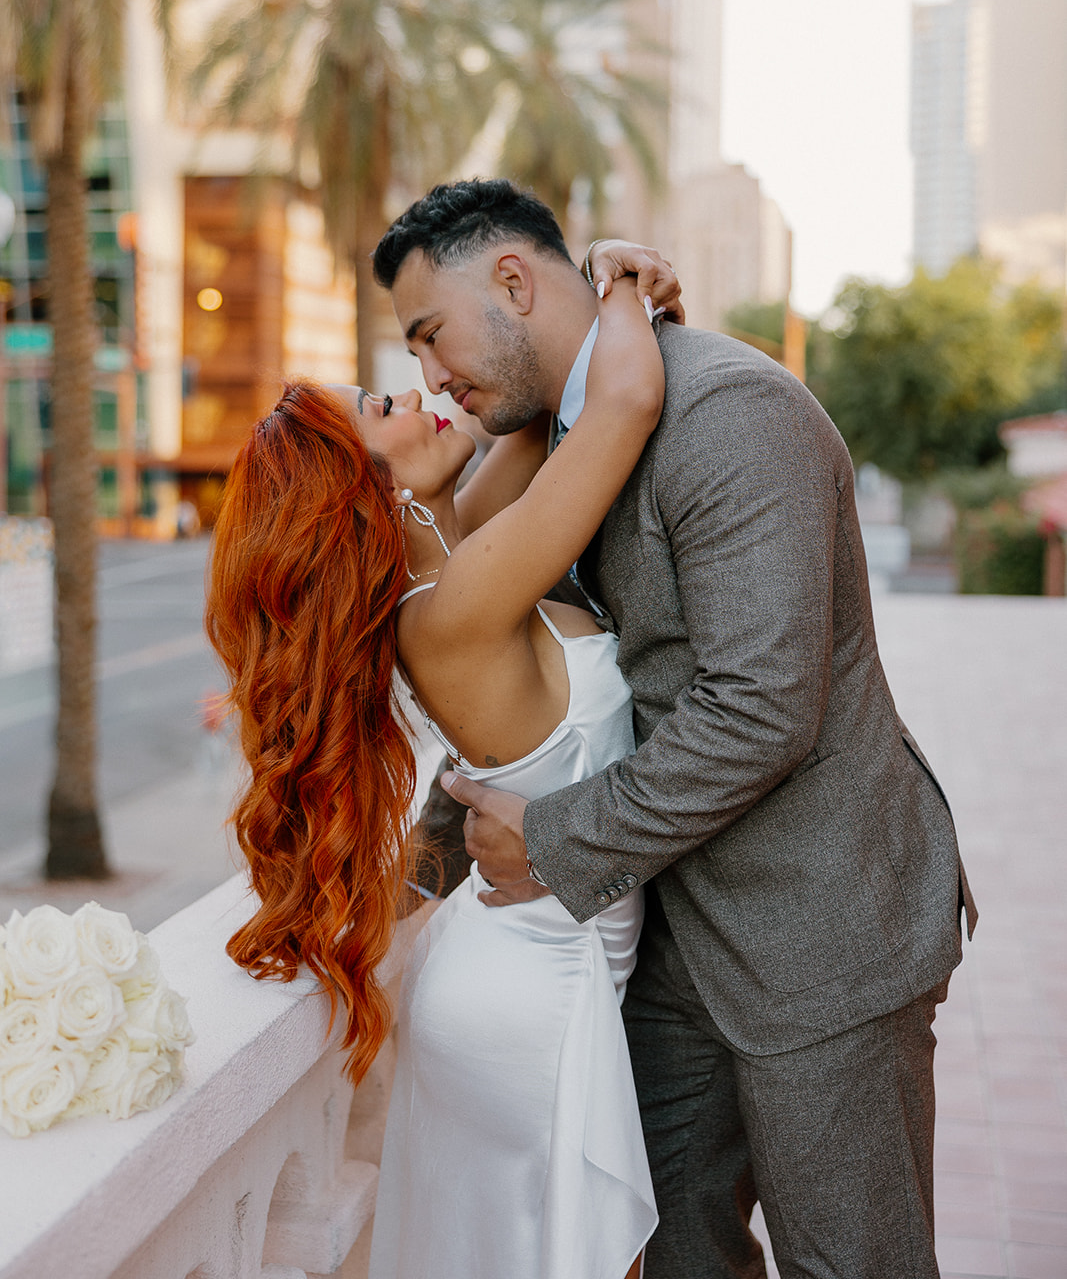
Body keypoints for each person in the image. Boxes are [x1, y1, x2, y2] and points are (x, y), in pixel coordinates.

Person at [372, 177, 979, 1279]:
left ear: (511, 280)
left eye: (429, 333)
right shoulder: (572, 442)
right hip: (671, 942)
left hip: (823, 931)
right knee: (671, 1257)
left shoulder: (725, 416)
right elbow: (528, 705)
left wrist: (552, 840)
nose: (430, 377)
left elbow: (761, 707)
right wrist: (408, 871)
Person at [205, 254, 683, 1279]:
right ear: (363, 482)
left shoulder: (451, 552)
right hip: (534, 996)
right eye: (386, 401)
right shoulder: (457, 606)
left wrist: (558, 320)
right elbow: (625, 400)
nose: (423, 393)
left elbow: (528, 414)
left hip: (526, 966)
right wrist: (623, 281)